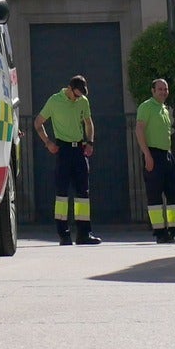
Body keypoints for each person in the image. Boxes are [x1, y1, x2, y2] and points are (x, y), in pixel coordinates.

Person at [35, 74, 102, 246]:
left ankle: (84, 234)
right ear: (70, 88)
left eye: (80, 96)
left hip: (79, 149)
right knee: (62, 194)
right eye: (76, 95)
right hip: (63, 150)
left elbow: (88, 122)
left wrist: (90, 142)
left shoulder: (83, 101)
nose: (77, 98)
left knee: (83, 194)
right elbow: (38, 123)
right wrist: (48, 143)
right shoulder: (54, 101)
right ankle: (63, 235)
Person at [136, 77, 175, 243]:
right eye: (160, 89)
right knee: (154, 195)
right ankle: (160, 232)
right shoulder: (146, 106)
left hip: (167, 154)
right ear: (153, 91)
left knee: (174, 193)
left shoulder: (165, 109)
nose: (163, 92)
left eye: (165, 89)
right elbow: (139, 130)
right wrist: (147, 155)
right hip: (153, 154)